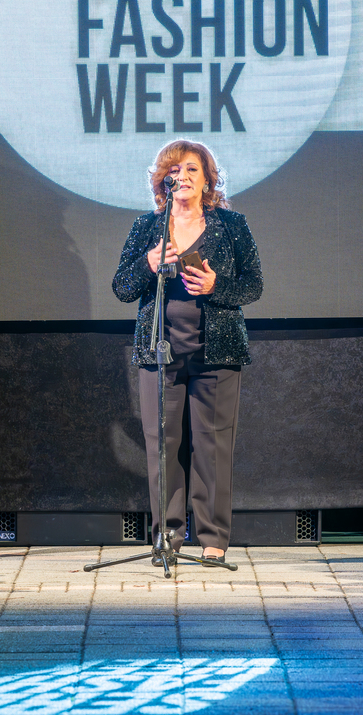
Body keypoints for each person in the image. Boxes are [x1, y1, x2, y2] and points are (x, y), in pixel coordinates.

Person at [113, 140, 263, 563]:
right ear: (163, 180)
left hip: (217, 351)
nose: (183, 177)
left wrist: (217, 286)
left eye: (193, 169)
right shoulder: (148, 227)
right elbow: (122, 287)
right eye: (175, 170)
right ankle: (168, 537)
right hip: (160, 351)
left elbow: (253, 285)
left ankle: (213, 539)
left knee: (213, 447)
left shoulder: (231, 225)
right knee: (162, 446)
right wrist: (147, 264)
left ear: (208, 180)